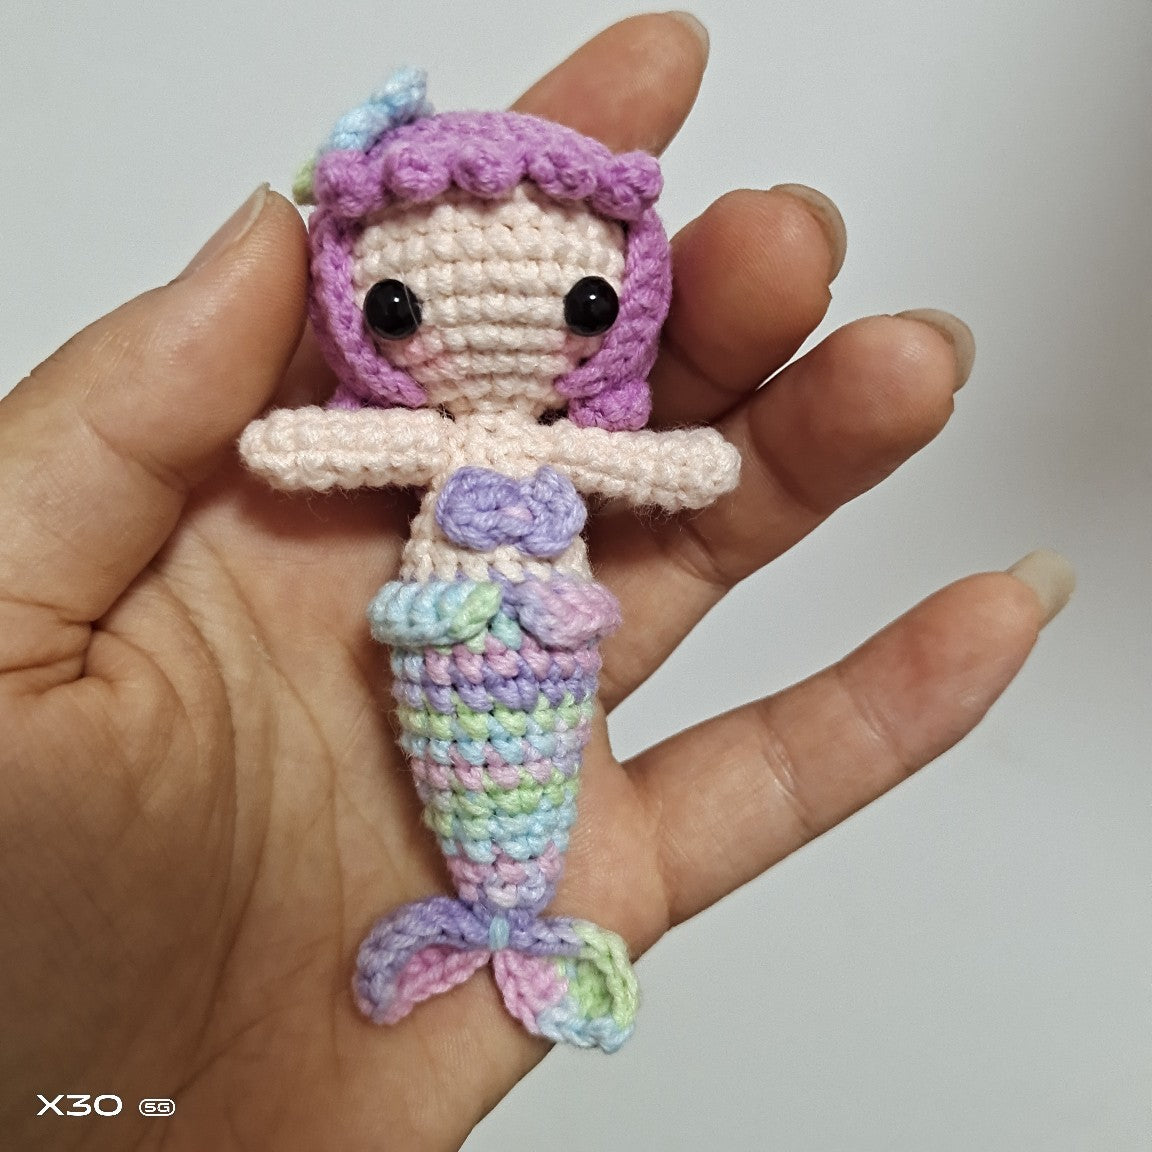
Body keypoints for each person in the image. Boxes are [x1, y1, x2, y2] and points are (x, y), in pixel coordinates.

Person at [0, 12, 1073, 1150]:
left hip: (545, 650)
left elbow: (674, 465)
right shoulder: (440, 437)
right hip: (443, 646)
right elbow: (302, 447)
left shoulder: (513, 437)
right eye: (397, 309)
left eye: (587, 306)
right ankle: (488, 912)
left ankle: (510, 913)